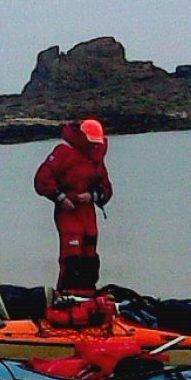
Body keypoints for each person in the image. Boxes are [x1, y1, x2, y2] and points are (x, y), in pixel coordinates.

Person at [33, 118, 113, 292]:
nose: (94, 146)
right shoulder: (63, 152)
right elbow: (41, 180)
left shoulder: (96, 158)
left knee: (90, 259)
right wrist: (60, 198)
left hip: (87, 212)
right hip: (68, 212)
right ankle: (65, 295)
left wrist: (92, 196)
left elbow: (106, 189)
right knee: (71, 259)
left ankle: (88, 296)